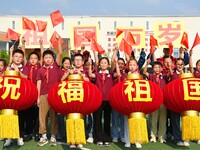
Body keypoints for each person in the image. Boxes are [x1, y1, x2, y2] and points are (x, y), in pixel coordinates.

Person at [88, 50, 120, 147]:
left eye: (105, 63)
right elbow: (90, 75)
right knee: (97, 119)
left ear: (108, 64)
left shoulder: (110, 74)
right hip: (98, 100)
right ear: (99, 64)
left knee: (107, 119)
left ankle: (106, 138)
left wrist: (117, 63)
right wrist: (90, 65)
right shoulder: (97, 74)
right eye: (101, 63)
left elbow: (118, 74)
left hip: (108, 100)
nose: (103, 64)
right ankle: (98, 139)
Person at [36, 33, 62, 147]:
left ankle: (53, 135)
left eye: (50, 57)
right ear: (43, 59)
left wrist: (58, 41)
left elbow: (60, 53)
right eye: (45, 57)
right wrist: (37, 97)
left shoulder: (56, 66)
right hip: (42, 95)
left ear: (53, 59)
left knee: (53, 116)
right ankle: (43, 135)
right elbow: (38, 83)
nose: (47, 59)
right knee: (42, 116)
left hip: (54, 95)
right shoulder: (40, 70)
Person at [4, 47, 28, 147]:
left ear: (22, 59)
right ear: (12, 58)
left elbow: (26, 78)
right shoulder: (8, 68)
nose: (18, 58)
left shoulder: (24, 68)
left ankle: (20, 137)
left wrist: (18, 71)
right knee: (9, 117)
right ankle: (8, 138)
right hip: (9, 97)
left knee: (20, 117)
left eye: (20, 57)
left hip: (19, 96)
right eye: (16, 56)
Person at [143, 59, 170, 143]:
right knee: (153, 119)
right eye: (155, 67)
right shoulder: (151, 76)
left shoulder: (164, 76)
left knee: (163, 119)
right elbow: (144, 73)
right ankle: (153, 136)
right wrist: (147, 64)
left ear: (162, 69)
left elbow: (171, 74)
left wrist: (169, 67)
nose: (157, 69)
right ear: (153, 68)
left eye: (159, 67)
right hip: (154, 100)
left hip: (163, 100)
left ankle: (162, 137)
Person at [22, 37, 43, 142]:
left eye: (35, 58)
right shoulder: (26, 67)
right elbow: (23, 56)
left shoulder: (40, 67)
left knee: (37, 114)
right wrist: (23, 44)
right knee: (28, 114)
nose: (33, 60)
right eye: (31, 58)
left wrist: (41, 45)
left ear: (38, 60)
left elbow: (43, 56)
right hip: (27, 93)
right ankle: (28, 132)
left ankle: (36, 133)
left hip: (37, 93)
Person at [169, 58, 190, 147]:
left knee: (186, 120)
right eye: (178, 64)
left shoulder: (188, 75)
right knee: (175, 121)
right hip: (175, 102)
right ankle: (177, 138)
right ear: (175, 65)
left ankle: (185, 138)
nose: (180, 66)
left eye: (181, 64)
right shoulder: (172, 74)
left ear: (184, 65)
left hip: (185, 102)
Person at [123, 58, 143, 149]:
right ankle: (128, 140)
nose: (132, 66)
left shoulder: (140, 76)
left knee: (137, 120)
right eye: (130, 65)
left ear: (137, 66)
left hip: (137, 101)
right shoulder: (125, 75)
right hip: (127, 101)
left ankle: (137, 140)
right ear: (127, 66)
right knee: (127, 121)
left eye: (134, 65)